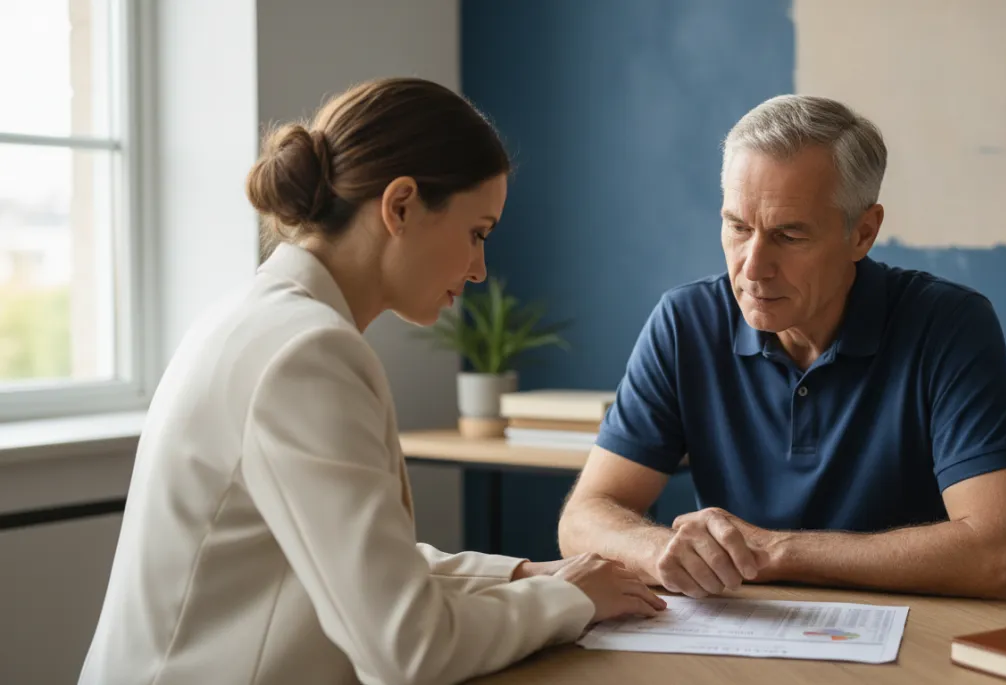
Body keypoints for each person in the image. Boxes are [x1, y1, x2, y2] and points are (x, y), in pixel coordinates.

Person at [78, 77, 665, 685]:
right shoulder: (307, 353)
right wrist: (574, 601)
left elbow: (350, 566)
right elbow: (407, 651)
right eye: (477, 233)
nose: (479, 269)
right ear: (401, 205)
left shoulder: (256, 319)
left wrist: (524, 576)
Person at [558, 94, 1006, 604]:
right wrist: (659, 550)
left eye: (788, 236)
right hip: (741, 641)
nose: (753, 267)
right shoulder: (685, 322)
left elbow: (1001, 557)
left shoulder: (947, 324)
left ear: (864, 233)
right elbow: (584, 518)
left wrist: (776, 552)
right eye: (738, 227)